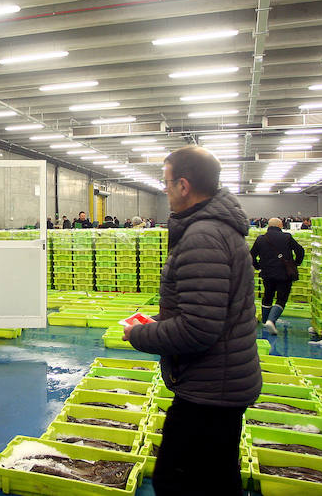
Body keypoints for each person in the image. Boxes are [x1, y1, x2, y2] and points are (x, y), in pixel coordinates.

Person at [123, 145, 261, 496]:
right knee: (217, 480)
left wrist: (140, 334)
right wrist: (158, 320)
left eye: (167, 182)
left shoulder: (203, 237)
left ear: (184, 186)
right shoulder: (217, 230)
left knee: (176, 481)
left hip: (210, 388)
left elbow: (199, 329)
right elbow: (206, 308)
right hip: (221, 381)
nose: (165, 190)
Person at [250, 217, 305, 335]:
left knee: (267, 296)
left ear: (268, 226)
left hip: (267, 273)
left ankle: (265, 322)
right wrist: (295, 263)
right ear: (280, 226)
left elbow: (251, 255)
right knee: (281, 298)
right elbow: (300, 251)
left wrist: (258, 266)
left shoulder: (261, 239)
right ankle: (271, 320)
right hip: (284, 274)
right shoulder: (287, 237)